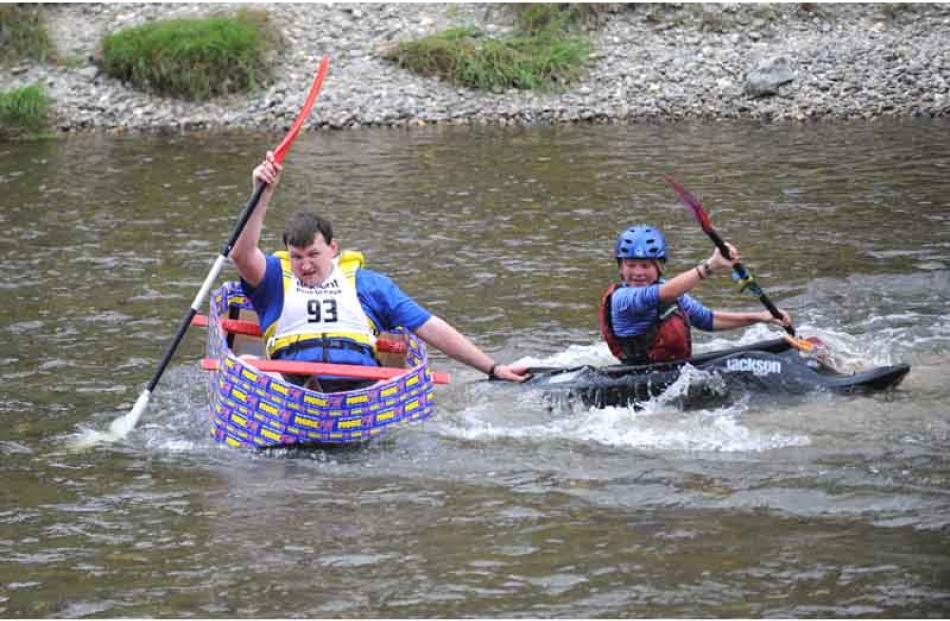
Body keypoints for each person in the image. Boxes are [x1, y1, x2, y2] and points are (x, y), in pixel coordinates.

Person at [229, 151, 529, 391]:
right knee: (244, 362)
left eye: (313, 255)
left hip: (359, 388)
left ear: (334, 249)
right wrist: (261, 193)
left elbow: (430, 327)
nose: (305, 266)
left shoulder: (369, 285)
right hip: (289, 385)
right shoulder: (273, 280)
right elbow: (241, 253)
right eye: (297, 257)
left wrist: (492, 367)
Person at [599, 224, 792, 365]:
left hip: (671, 369)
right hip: (639, 373)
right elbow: (667, 292)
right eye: (631, 265)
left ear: (659, 267)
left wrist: (761, 317)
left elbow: (708, 320)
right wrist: (711, 265)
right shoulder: (622, 298)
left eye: (645, 265)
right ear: (621, 269)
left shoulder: (671, 293)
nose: (638, 272)